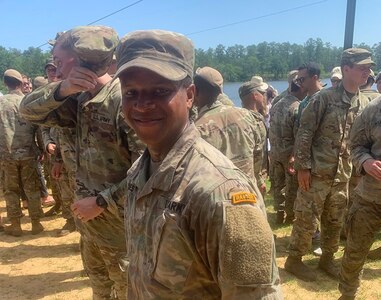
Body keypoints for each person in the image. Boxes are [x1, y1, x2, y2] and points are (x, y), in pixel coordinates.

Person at [102, 29, 282, 299]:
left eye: (160, 91)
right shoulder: (141, 169)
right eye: (131, 93)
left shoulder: (222, 192)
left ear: (190, 95)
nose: (142, 104)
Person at [20, 25, 143, 299]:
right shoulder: (75, 100)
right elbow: (27, 111)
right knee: (100, 290)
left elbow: (149, 173)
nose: (57, 68)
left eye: (59, 62)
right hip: (91, 228)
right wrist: (62, 89)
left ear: (76, 61)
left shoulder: (124, 102)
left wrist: (100, 202)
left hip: (124, 232)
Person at [284, 48, 374, 282]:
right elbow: (305, 132)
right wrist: (303, 167)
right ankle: (294, 260)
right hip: (317, 173)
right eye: (362, 67)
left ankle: (327, 259)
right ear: (346, 69)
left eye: (369, 67)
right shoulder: (324, 98)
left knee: (335, 220)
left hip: (342, 175)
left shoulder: (363, 102)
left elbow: (361, 140)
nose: (368, 71)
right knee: (306, 218)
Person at [338, 94, 381, 300]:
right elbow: (355, 145)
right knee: (354, 251)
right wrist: (365, 162)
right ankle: (347, 294)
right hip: (370, 198)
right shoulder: (373, 109)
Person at [193, 66, 261, 187]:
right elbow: (258, 152)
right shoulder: (245, 115)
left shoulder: (196, 128)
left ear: (194, 91)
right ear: (220, 91)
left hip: (217, 196)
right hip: (248, 191)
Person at [0, 69, 44, 236]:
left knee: (11, 190)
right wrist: (42, 147)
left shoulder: (1, 103)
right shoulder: (28, 102)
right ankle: (35, 223)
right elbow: (39, 128)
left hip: (6, 155)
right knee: (31, 188)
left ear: (5, 83)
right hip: (28, 153)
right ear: (20, 83)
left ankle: (16, 225)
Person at [268, 78, 306, 224]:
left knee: (278, 184)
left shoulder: (276, 104)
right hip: (289, 154)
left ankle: (279, 212)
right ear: (301, 89)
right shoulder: (297, 107)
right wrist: (295, 156)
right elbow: (299, 135)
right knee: (291, 187)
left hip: (276, 152)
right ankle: (290, 216)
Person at [239, 78, 269, 195]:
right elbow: (255, 154)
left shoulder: (241, 117)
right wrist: (259, 180)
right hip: (253, 179)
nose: (264, 97)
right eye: (262, 94)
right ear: (255, 96)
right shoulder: (253, 121)